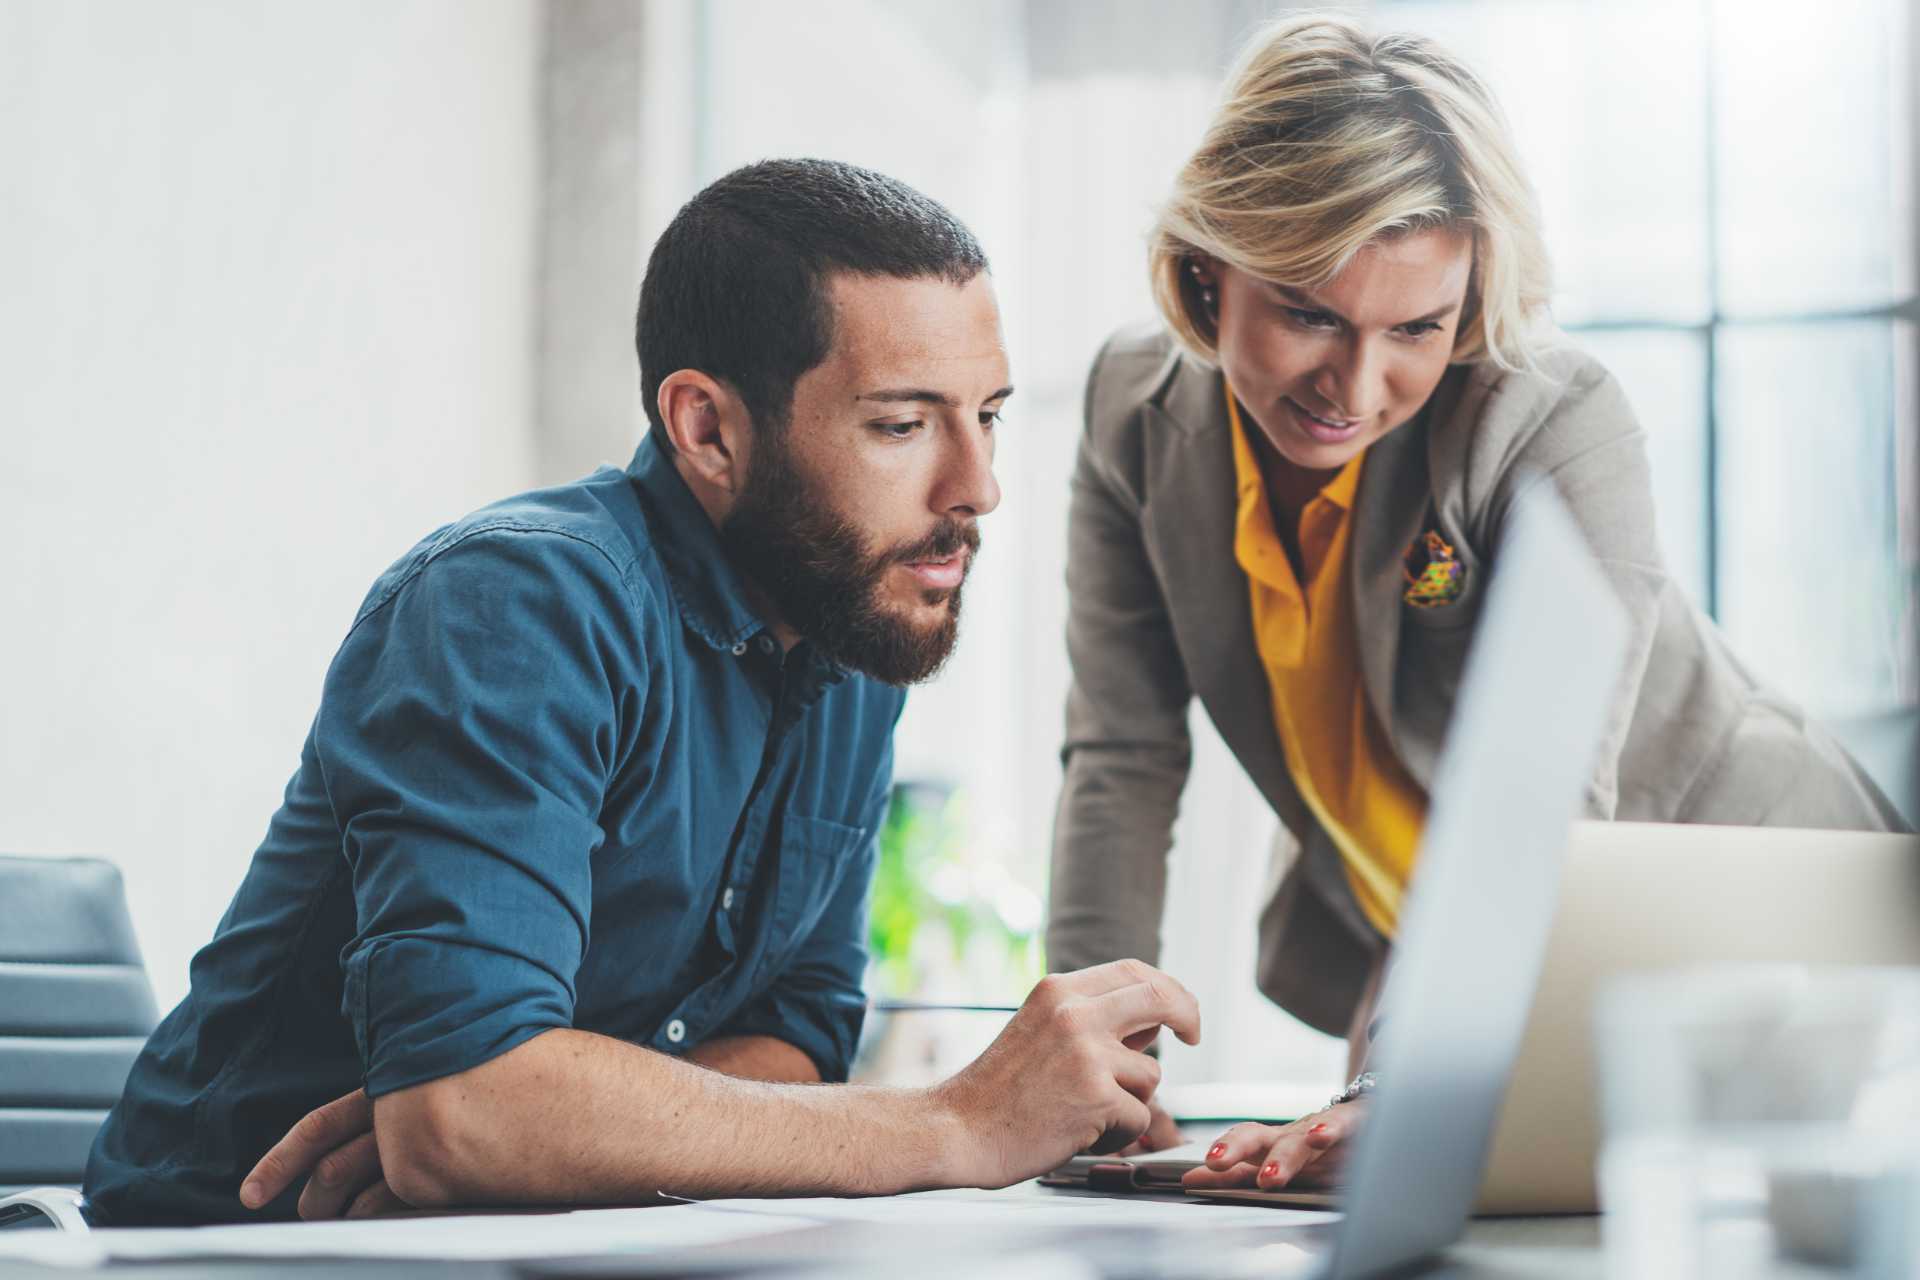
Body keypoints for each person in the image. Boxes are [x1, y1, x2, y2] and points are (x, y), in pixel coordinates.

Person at [85, 158, 1197, 1225]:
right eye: (903, 425)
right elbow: (463, 1115)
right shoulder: (516, 602)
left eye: (988, 414)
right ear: (707, 427)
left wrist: (550, 1129)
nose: (979, 486)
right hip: (229, 1247)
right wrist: (954, 1122)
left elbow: (795, 1031)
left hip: (543, 1241)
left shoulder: (851, 629)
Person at [1043, 13, 1906, 1196]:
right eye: (1309, 313)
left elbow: (1539, 814)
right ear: (1208, 267)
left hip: (1749, 914)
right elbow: (1121, 760)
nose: (1355, 386)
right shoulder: (1128, 415)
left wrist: (1400, 1083)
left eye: (1417, 328)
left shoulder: (1549, 421)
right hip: (1442, 955)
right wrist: (1092, 1068)